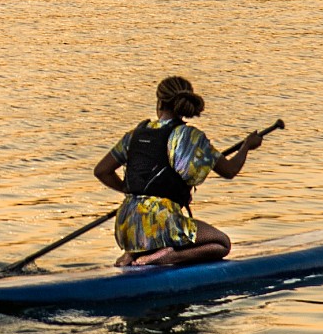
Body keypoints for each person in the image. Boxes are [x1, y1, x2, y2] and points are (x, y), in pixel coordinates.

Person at [92, 76, 267, 268]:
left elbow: (102, 171)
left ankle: (132, 255)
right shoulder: (191, 136)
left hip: (127, 221)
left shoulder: (135, 134)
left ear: (159, 103)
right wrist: (246, 147)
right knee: (220, 243)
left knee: (154, 224)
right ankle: (163, 257)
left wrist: (128, 189)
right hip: (162, 222)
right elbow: (230, 170)